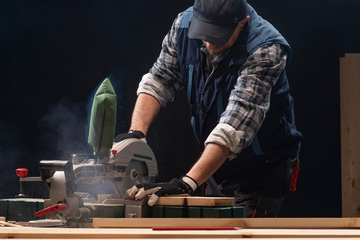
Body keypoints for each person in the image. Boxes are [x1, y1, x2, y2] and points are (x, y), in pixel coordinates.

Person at [116, 0, 302, 217]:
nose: (209, 43)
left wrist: (187, 183)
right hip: (215, 163)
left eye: (218, 35)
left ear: (243, 23)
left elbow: (233, 126)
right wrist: (136, 136)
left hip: (261, 168)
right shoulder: (183, 26)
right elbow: (160, 79)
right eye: (204, 32)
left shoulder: (266, 49)